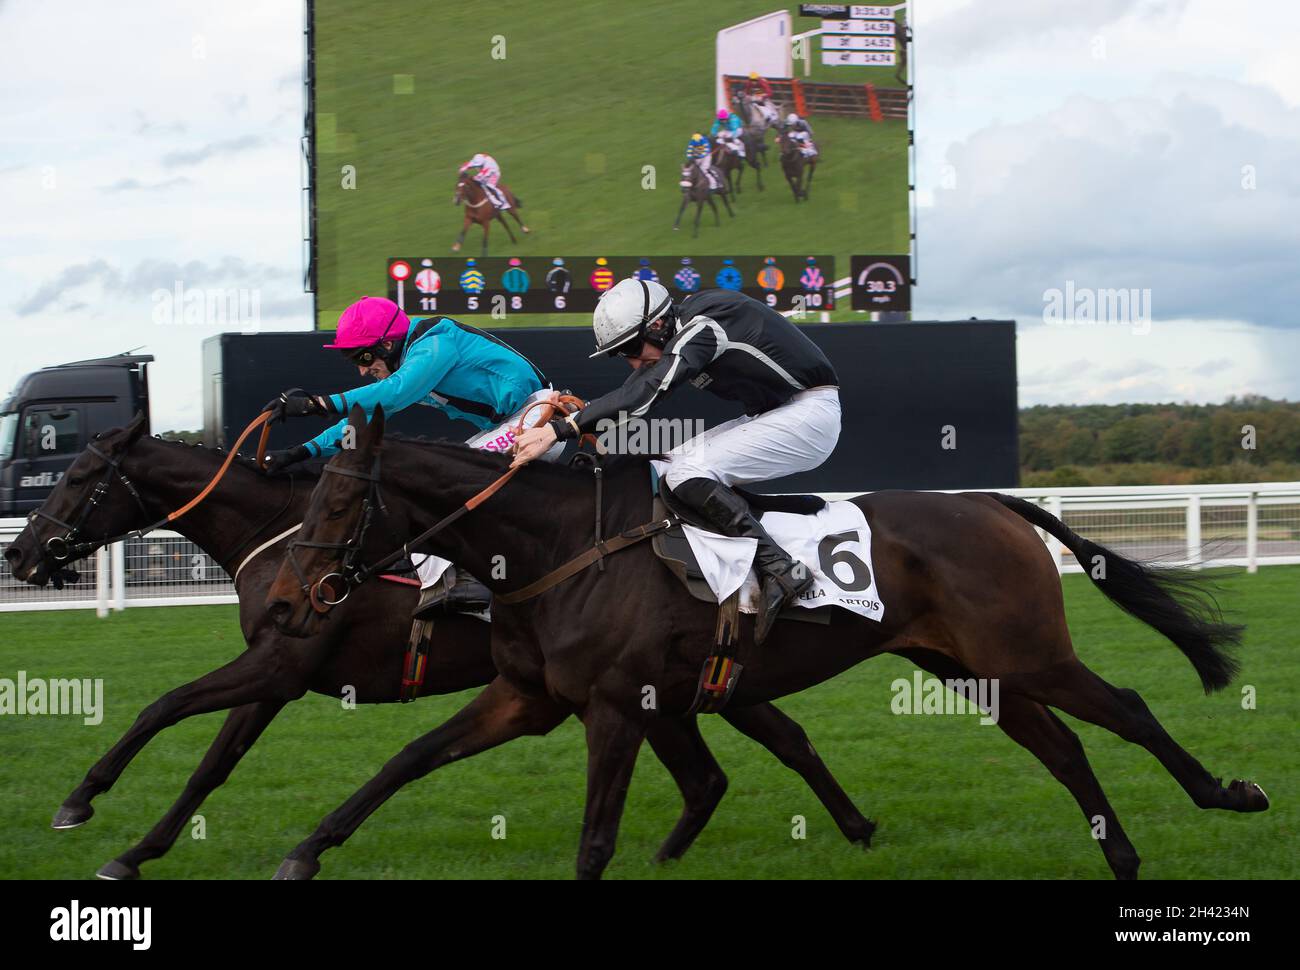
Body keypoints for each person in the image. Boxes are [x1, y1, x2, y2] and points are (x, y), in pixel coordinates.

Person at [511, 279, 841, 645]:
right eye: (623, 354)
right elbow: (638, 386)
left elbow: (649, 391)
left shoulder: (703, 327)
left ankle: (782, 569)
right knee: (668, 466)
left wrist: (561, 429)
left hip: (810, 413)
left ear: (658, 324)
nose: (634, 361)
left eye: (634, 348)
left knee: (687, 472)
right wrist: (582, 415)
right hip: (774, 414)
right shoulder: (681, 328)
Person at [261, 295, 561, 614]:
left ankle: (471, 583)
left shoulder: (435, 343)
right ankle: (450, 584)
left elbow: (393, 393)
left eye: (363, 358)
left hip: (536, 415)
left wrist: (318, 403)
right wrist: (302, 451)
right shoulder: (412, 359)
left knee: (439, 479)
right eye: (356, 362)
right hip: (511, 421)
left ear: (387, 345)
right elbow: (361, 422)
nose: (363, 370)